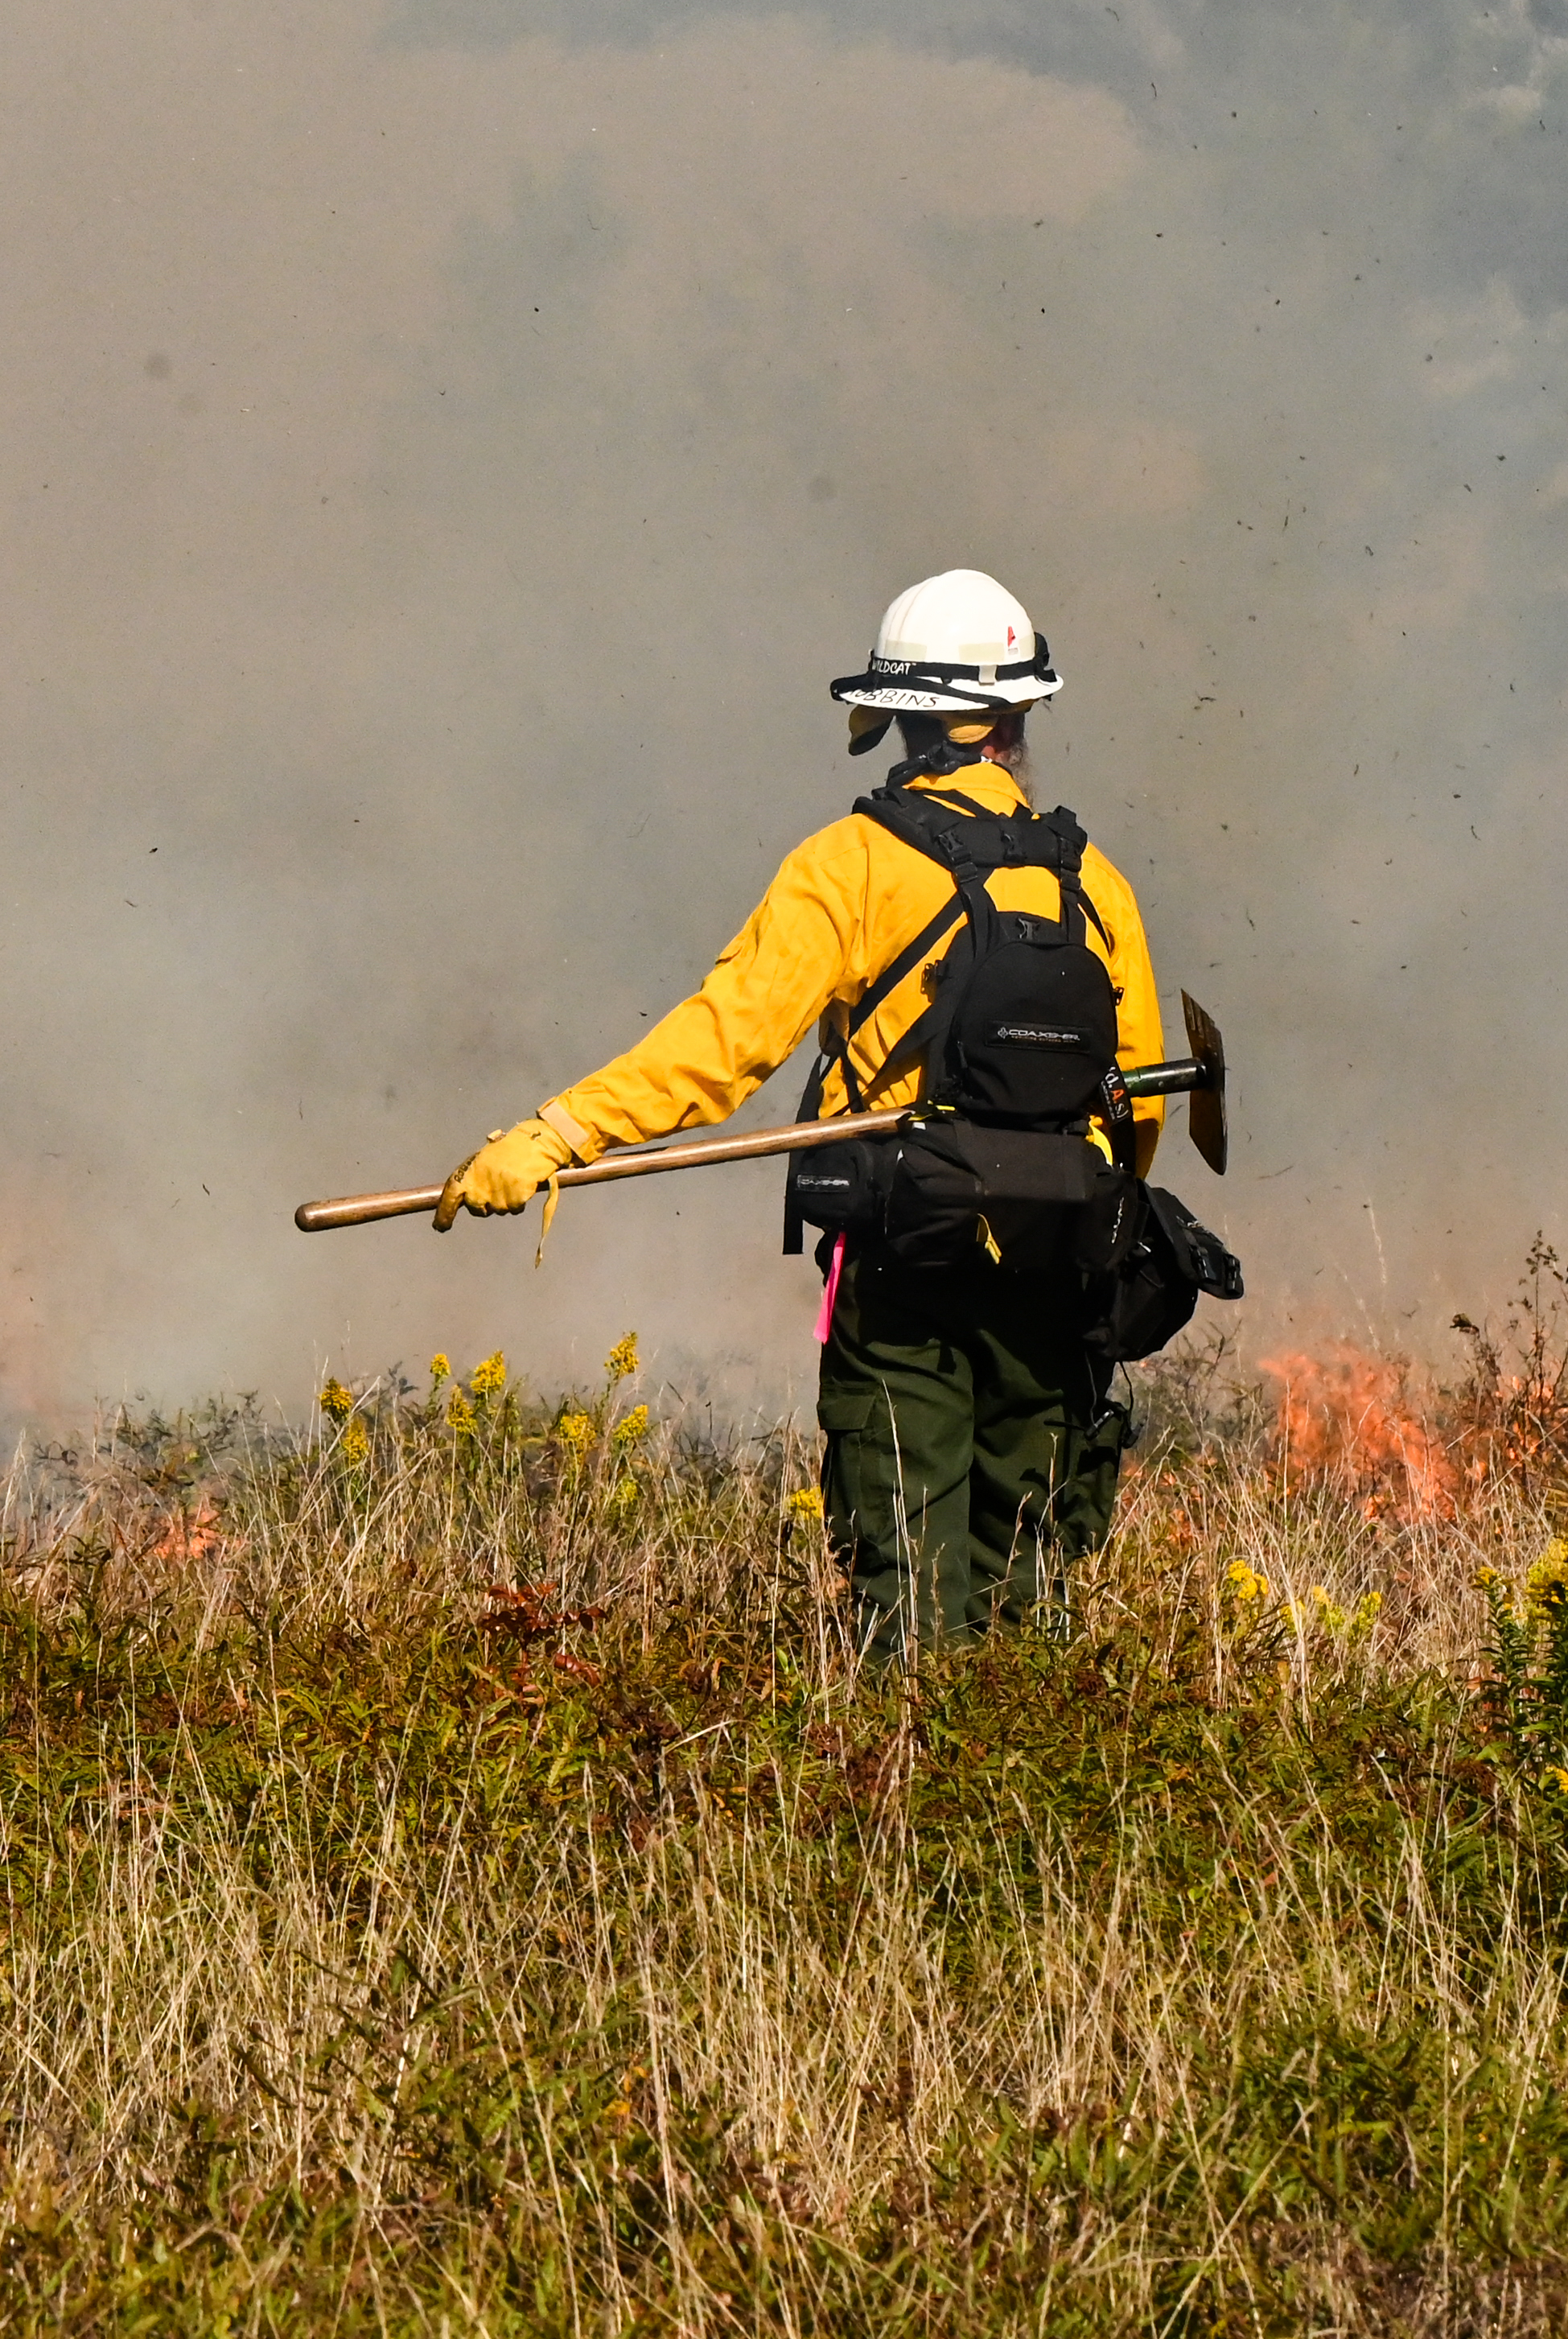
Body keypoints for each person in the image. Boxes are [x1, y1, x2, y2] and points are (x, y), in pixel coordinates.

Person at [444, 570, 1169, 1651]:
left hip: (909, 1266)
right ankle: (1026, 1794)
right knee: (1029, 1573)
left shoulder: (851, 866)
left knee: (906, 1575)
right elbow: (1139, 1104)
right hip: (1060, 1271)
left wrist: (559, 1133)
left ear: (895, 720)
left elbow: (720, 1045)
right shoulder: (1093, 881)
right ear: (1017, 716)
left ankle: (904, 1798)